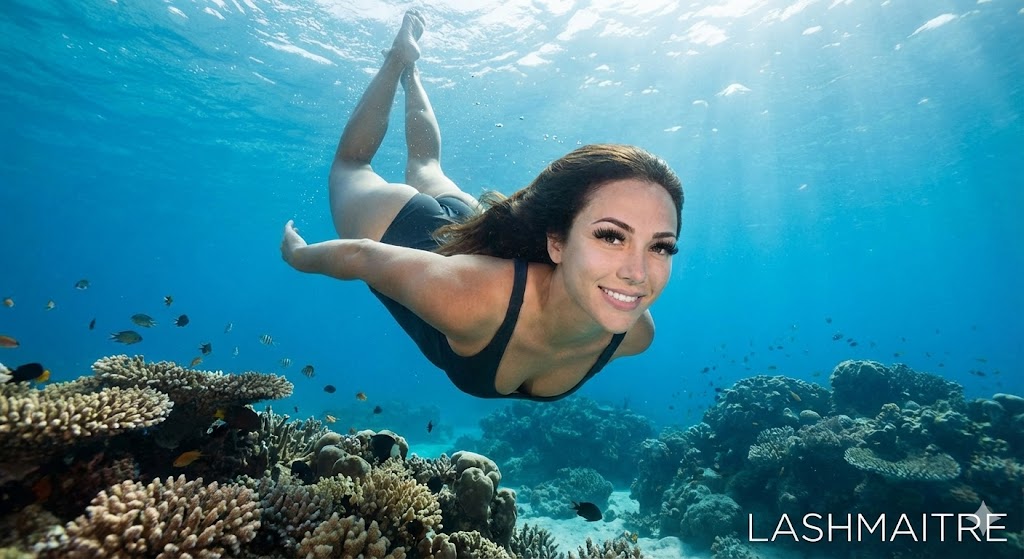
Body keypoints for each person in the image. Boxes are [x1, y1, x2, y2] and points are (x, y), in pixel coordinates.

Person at [281, 10, 683, 401]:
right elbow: (362, 256)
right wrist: (298, 256)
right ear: (556, 243)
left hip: (479, 239)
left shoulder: (634, 334)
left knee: (425, 165)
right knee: (351, 165)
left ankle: (414, 73)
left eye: (660, 246)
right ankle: (397, 60)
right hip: (412, 233)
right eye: (611, 236)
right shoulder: (468, 301)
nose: (637, 273)